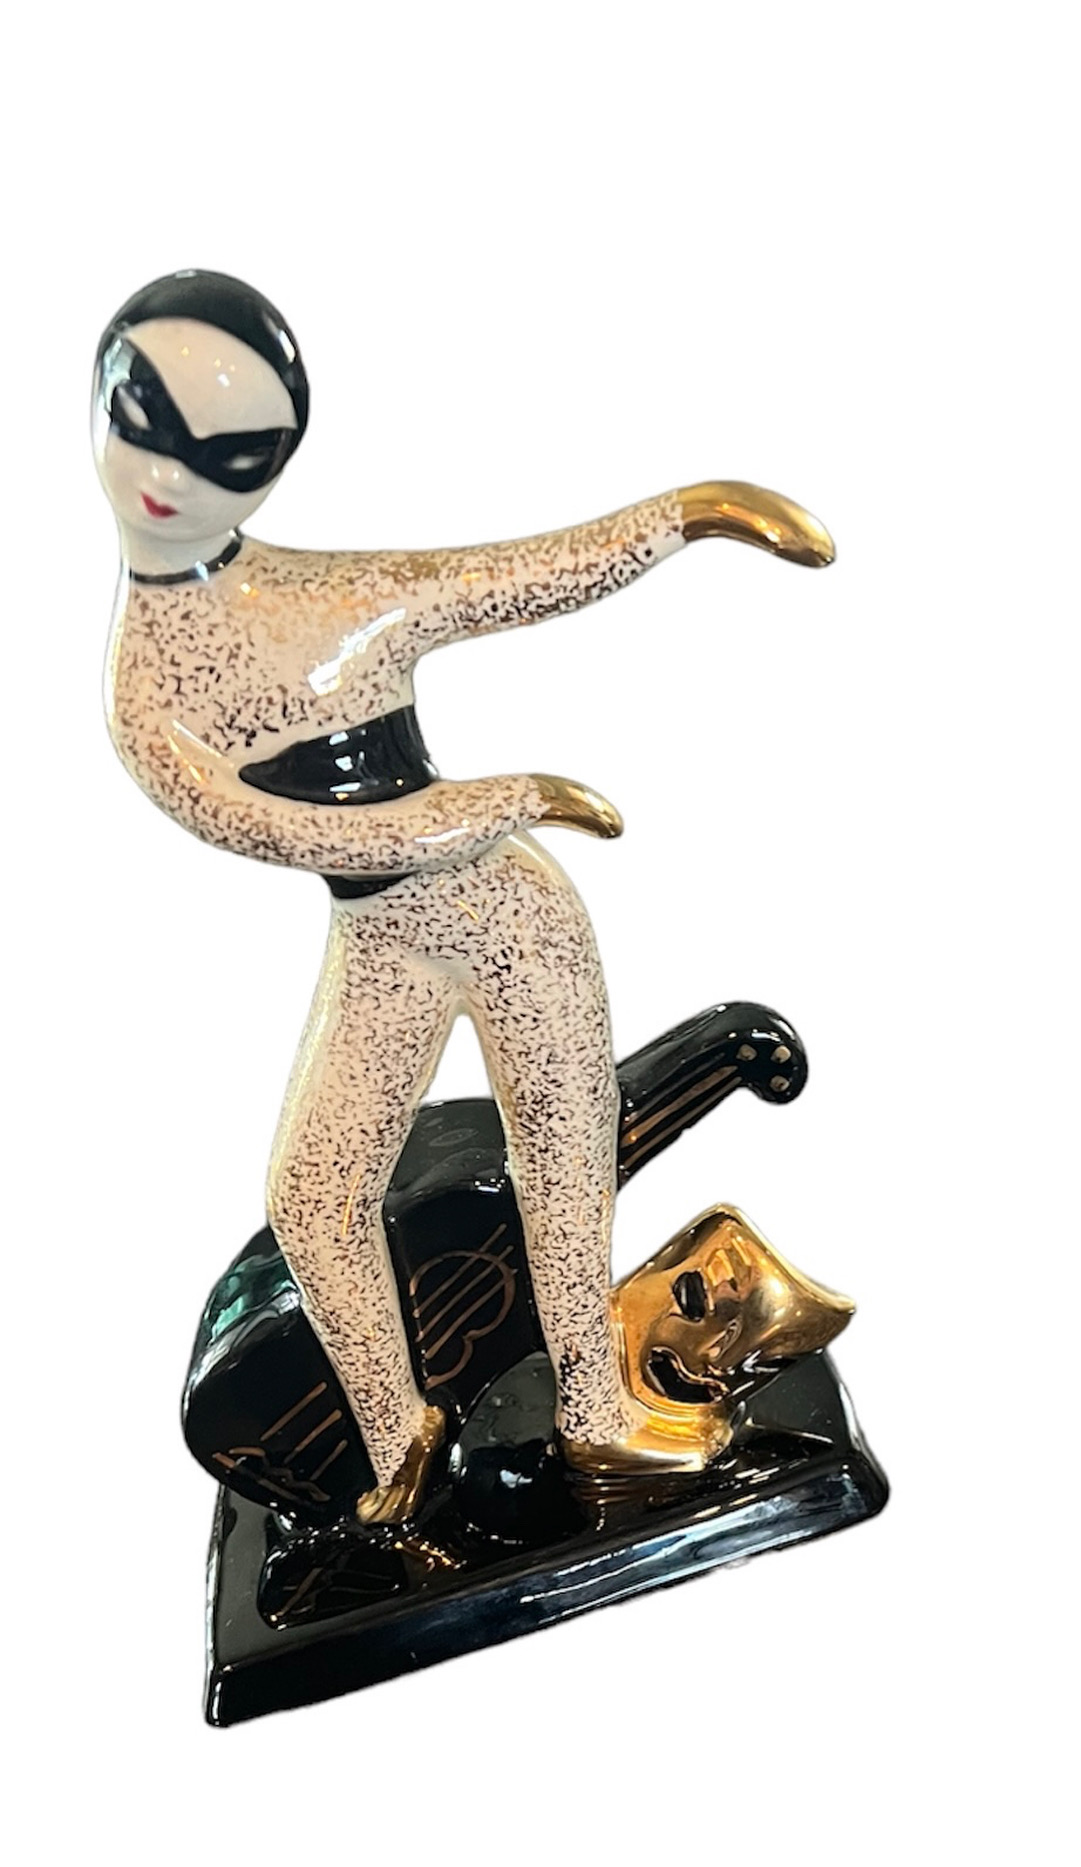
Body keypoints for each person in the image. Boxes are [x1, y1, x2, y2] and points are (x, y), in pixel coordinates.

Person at [99, 270, 834, 1520]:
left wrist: (694, 514)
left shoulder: (327, 598)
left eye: (231, 456)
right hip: (386, 933)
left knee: (562, 1158)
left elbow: (530, 572)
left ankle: (595, 1409)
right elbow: (280, 828)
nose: (172, 476)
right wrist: (510, 798)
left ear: (274, 468)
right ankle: (399, 1442)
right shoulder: (144, 690)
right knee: (312, 1199)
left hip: (507, 919)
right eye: (145, 420)